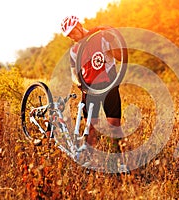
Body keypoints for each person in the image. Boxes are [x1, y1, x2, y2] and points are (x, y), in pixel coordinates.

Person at [61, 16, 128, 173]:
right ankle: (89, 163)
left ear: (79, 26)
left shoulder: (101, 38)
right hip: (89, 89)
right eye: (68, 35)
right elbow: (73, 73)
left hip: (109, 86)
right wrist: (79, 84)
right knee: (91, 127)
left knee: (114, 125)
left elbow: (119, 57)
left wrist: (112, 41)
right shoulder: (74, 51)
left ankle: (120, 163)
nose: (71, 37)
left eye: (72, 33)